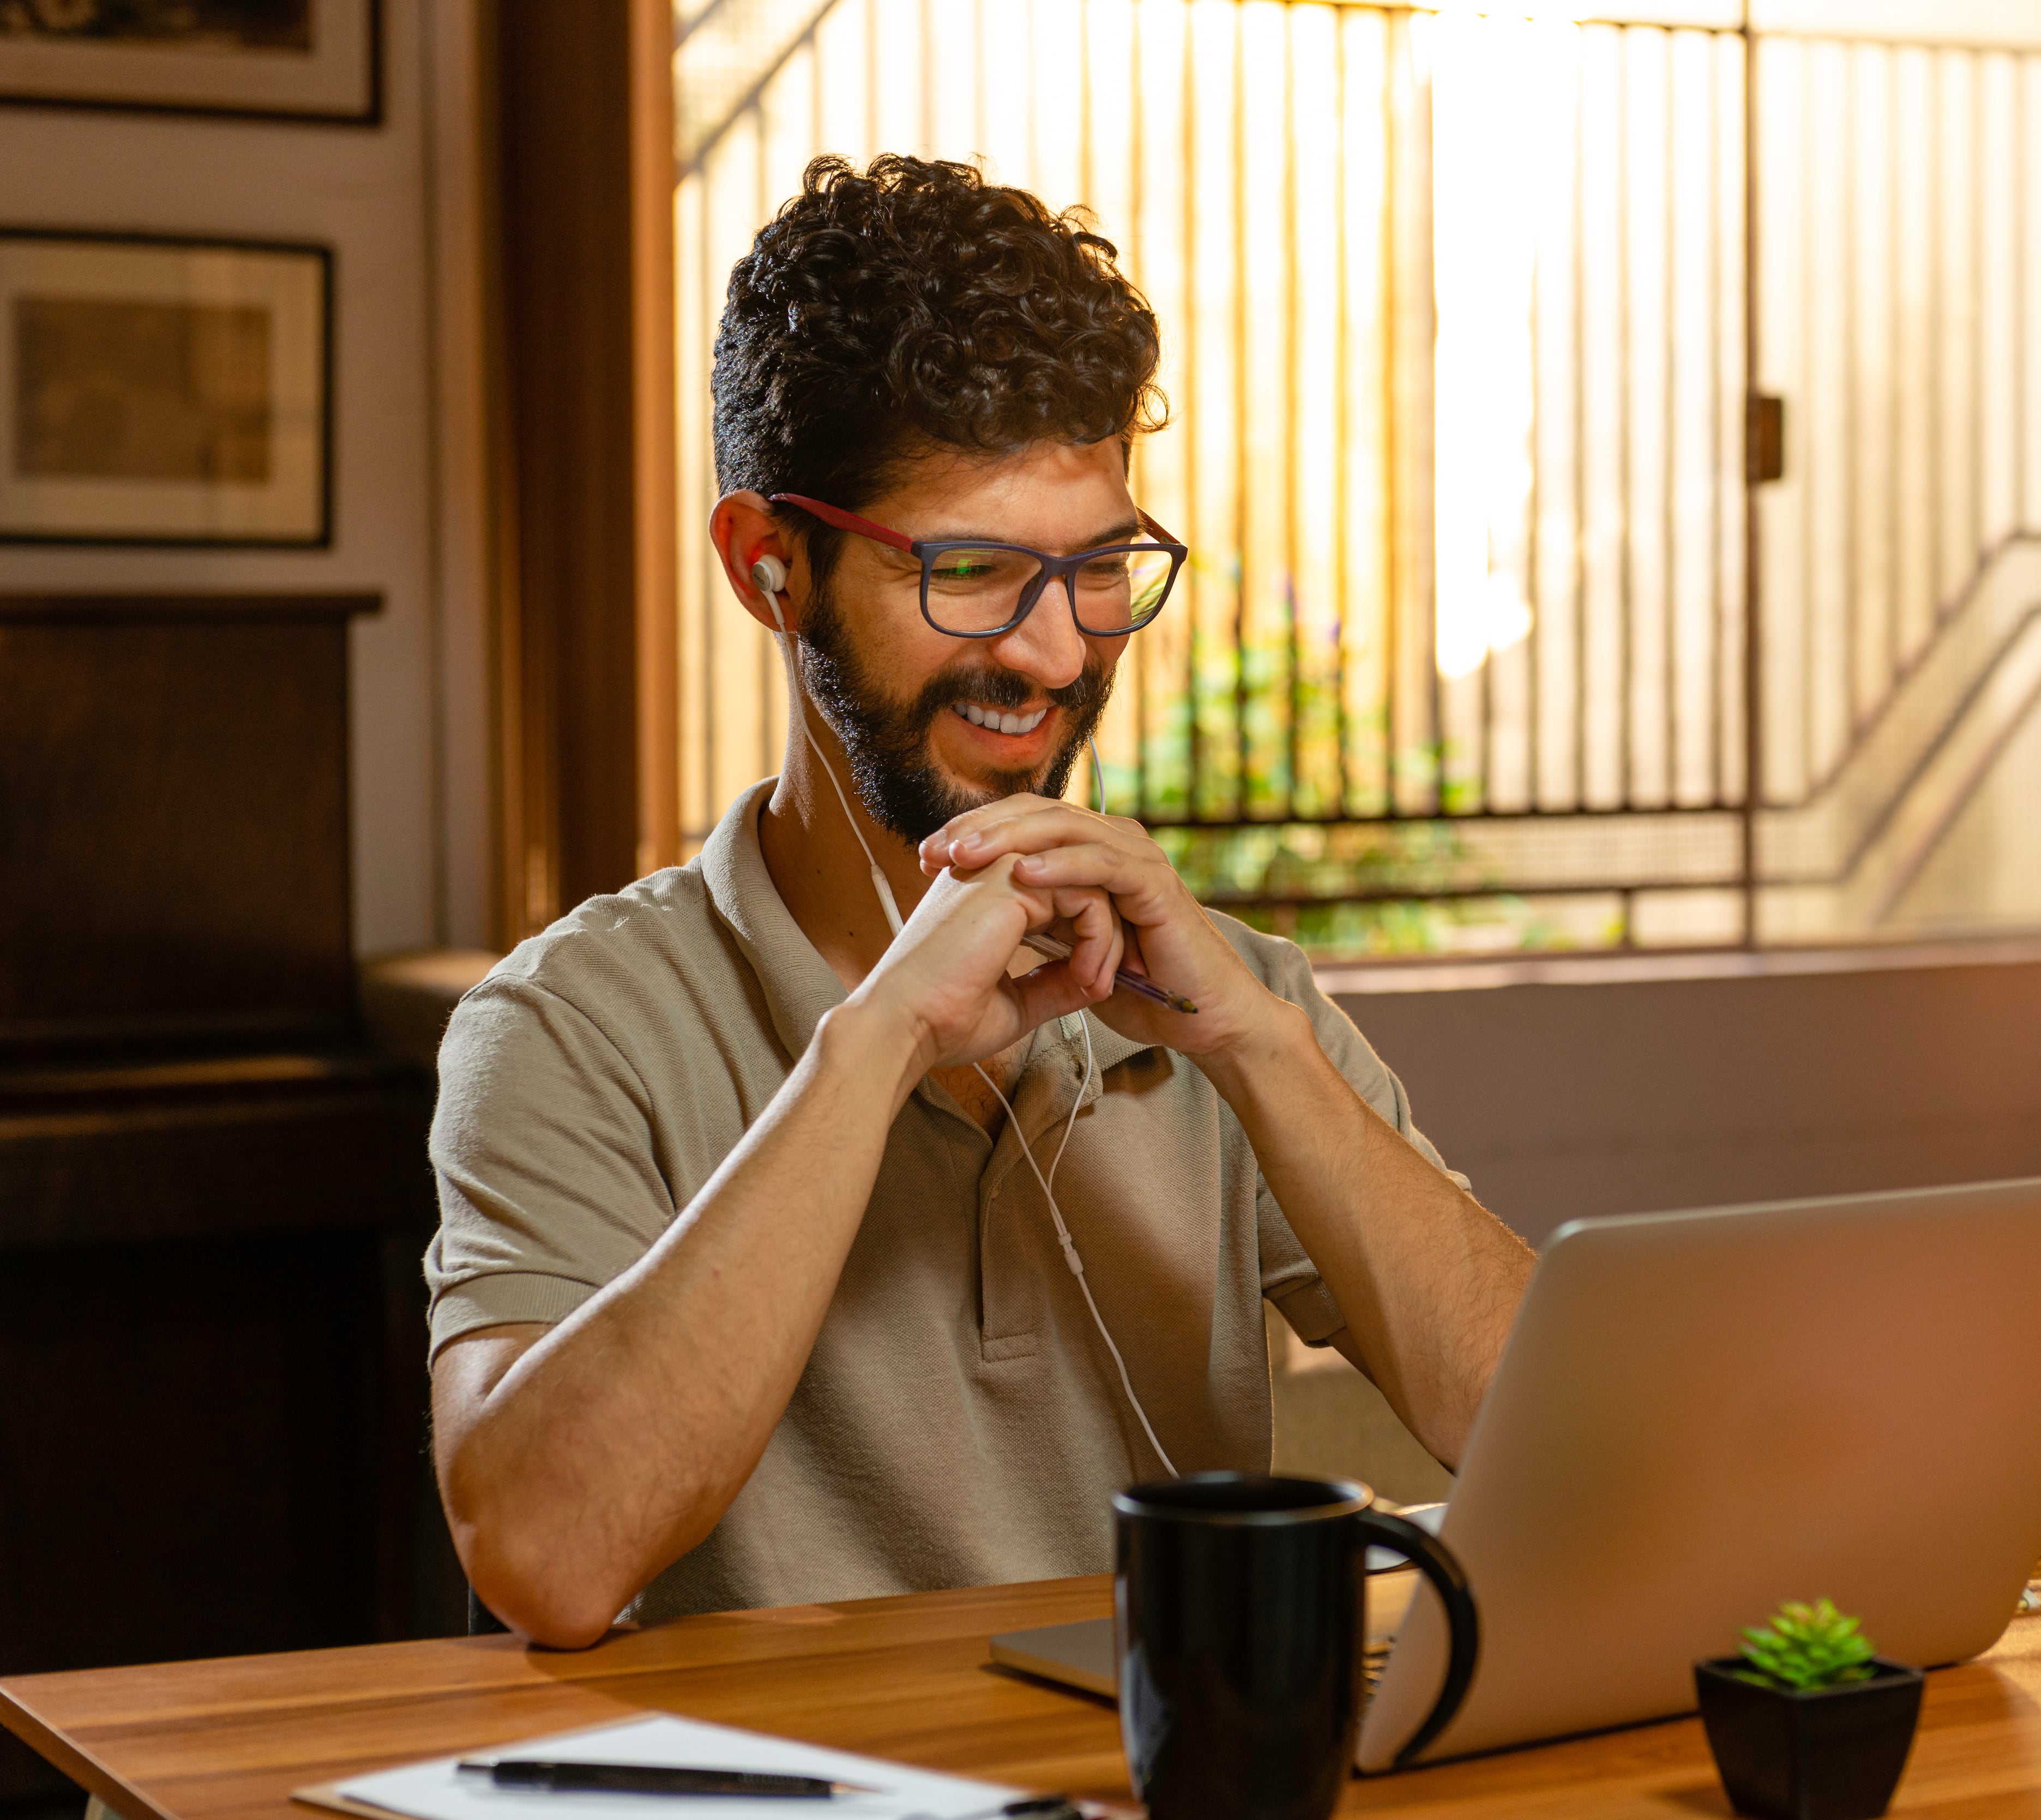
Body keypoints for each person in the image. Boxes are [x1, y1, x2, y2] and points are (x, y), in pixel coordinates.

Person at [425, 153, 1535, 1649]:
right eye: (971, 571)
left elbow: (1542, 1431)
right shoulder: (569, 1028)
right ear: (771, 566)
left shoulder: (1222, 997)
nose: (1062, 654)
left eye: (1098, 570)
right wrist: (878, 1041)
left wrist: (1263, 1050)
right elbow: (543, 1552)